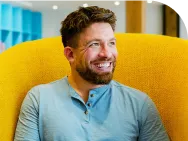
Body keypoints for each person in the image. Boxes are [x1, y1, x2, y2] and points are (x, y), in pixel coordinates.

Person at [14, 6, 170, 141]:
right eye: (94, 44)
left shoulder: (139, 104)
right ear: (70, 55)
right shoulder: (39, 99)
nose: (106, 53)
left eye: (111, 43)